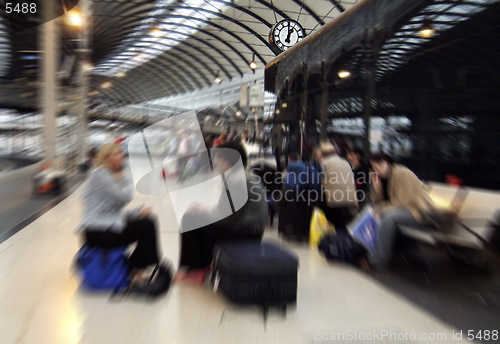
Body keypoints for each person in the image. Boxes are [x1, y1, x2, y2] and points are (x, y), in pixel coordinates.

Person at [177, 140, 267, 280]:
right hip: (252, 230)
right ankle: (203, 264)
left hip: (244, 232)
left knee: (189, 220)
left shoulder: (236, 180)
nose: (216, 162)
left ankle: (195, 270)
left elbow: (226, 219)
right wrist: (206, 209)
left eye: (218, 158)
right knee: (198, 218)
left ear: (227, 160)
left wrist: (204, 212)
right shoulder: (246, 175)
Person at [79, 142, 161, 286]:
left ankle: (136, 267)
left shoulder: (106, 176)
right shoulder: (100, 175)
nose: (121, 157)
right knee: (147, 226)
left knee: (147, 221)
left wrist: (137, 212)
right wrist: (125, 177)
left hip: (102, 227)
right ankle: (136, 270)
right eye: (117, 154)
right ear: (107, 157)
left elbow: (112, 212)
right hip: (97, 231)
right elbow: (124, 198)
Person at [367, 153, 435, 269]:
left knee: (389, 217)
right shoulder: (383, 178)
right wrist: (377, 187)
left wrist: (380, 208)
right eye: (374, 167)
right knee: (374, 213)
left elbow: (403, 202)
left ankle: (378, 261)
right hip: (406, 213)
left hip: (421, 213)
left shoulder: (402, 173)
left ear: (388, 162)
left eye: (380, 164)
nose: (378, 168)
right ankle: (367, 250)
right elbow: (377, 203)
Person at [319, 141, 358, 231]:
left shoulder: (324, 163)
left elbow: (320, 181)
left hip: (334, 203)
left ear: (322, 154)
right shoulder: (345, 162)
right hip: (352, 200)